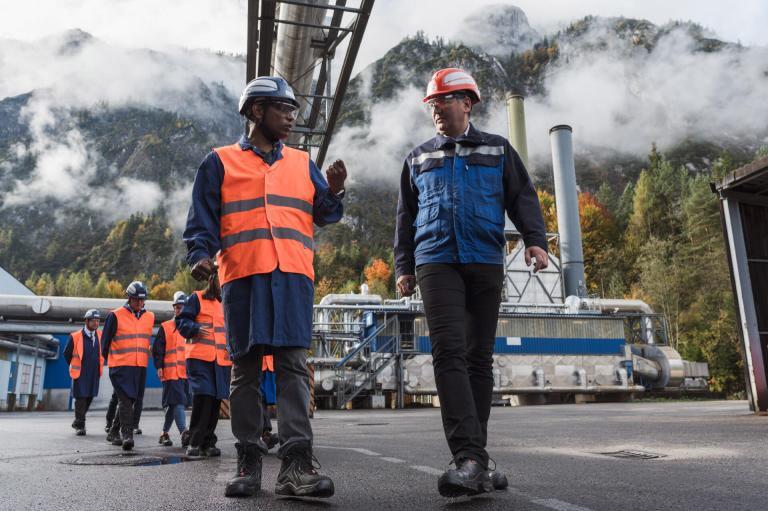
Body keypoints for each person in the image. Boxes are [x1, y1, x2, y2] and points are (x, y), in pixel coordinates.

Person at [183, 76, 345, 499]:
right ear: (256, 112)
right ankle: (248, 462)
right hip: (244, 277)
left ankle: (295, 466)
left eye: (293, 110)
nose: (291, 117)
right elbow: (200, 221)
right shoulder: (218, 162)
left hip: (292, 277)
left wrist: (337, 190)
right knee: (246, 371)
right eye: (282, 109)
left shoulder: (301, 162)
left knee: (293, 367)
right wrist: (200, 255)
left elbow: (324, 213)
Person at [394, 68, 549, 497]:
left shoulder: (497, 149)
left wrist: (535, 241)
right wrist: (403, 265)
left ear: (468, 102)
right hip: (435, 260)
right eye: (432, 103)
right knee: (448, 353)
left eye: (444, 100)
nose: (437, 109)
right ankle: (467, 457)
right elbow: (406, 215)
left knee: (479, 358)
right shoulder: (418, 157)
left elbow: (522, 197)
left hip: (484, 258)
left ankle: (475, 460)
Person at [175, 275, 232, 457]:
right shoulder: (196, 298)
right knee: (204, 397)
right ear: (213, 280)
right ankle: (194, 442)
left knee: (215, 399)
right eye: (220, 279)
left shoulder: (227, 302)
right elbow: (182, 322)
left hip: (220, 360)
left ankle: (208, 442)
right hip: (200, 358)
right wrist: (195, 328)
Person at [101, 281, 154, 451]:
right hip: (120, 366)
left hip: (139, 366)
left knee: (131, 400)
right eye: (136, 300)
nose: (139, 303)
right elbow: (105, 343)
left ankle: (113, 432)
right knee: (125, 400)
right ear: (129, 298)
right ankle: (127, 436)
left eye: (142, 300)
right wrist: (110, 362)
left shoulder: (149, 317)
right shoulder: (115, 316)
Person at [152, 291, 190, 447]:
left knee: (172, 404)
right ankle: (184, 433)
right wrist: (159, 366)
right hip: (169, 372)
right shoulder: (166, 327)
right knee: (178, 401)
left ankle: (164, 433)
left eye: (183, 308)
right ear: (174, 308)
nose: (180, 310)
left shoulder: (190, 328)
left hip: (185, 374)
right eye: (178, 307)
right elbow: (157, 349)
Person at [63, 309, 103, 436]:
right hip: (80, 372)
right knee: (81, 398)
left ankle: (78, 420)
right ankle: (81, 426)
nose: (96, 323)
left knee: (90, 396)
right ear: (87, 321)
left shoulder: (101, 336)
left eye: (98, 321)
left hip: (94, 372)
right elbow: (66, 353)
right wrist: (74, 364)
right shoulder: (75, 336)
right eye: (93, 321)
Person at [258, 355, 278, 452]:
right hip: (255, 365)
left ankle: (265, 434)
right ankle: (263, 434)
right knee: (258, 399)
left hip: (268, 365)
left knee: (263, 400)